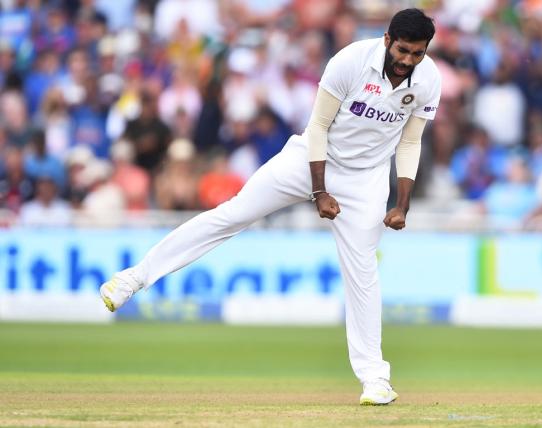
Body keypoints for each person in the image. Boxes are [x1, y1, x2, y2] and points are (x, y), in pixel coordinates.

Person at [99, 8, 441, 406]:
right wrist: (319, 191)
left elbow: (410, 142)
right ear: (387, 40)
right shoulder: (349, 61)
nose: (408, 61)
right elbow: (317, 129)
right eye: (403, 51)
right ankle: (133, 278)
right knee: (233, 214)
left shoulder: (428, 78)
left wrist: (402, 203)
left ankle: (375, 379)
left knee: (363, 271)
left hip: (365, 179)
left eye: (417, 54)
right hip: (309, 160)